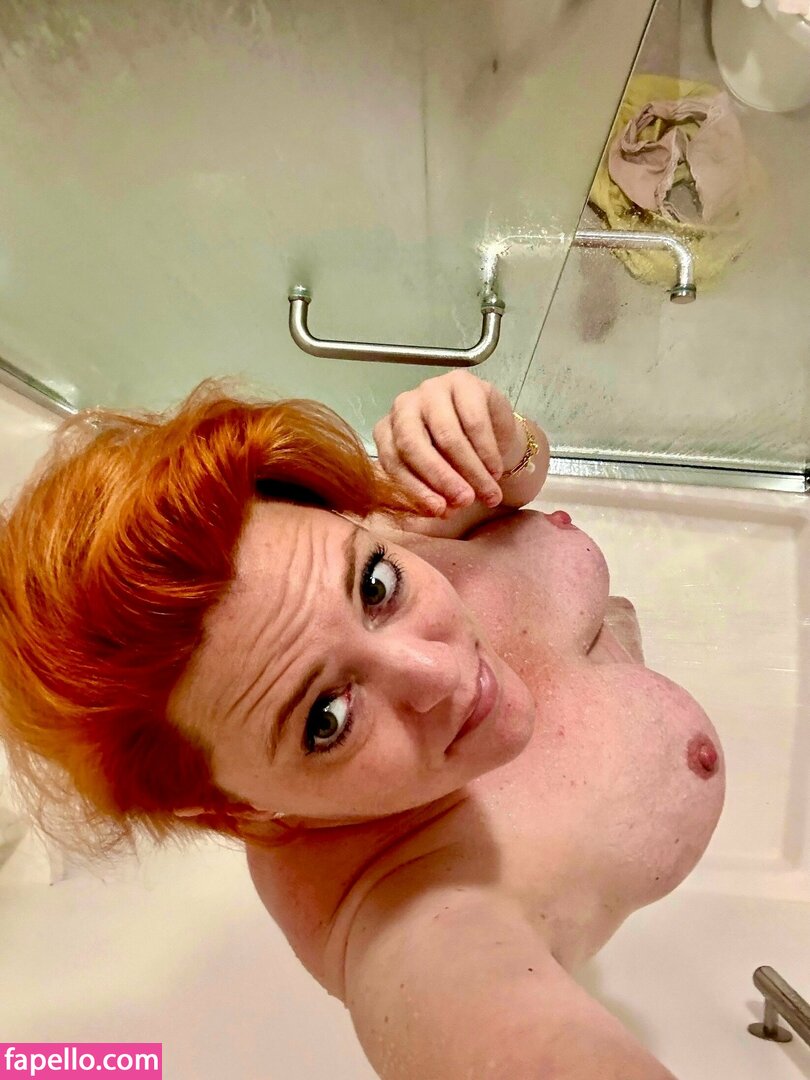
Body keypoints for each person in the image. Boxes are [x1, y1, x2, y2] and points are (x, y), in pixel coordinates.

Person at [0, 370, 724, 1079]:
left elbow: (516, 485)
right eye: (327, 718)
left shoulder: (312, 554)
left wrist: (503, 444)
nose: (441, 672)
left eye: (376, 587)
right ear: (229, 807)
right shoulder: (404, 912)